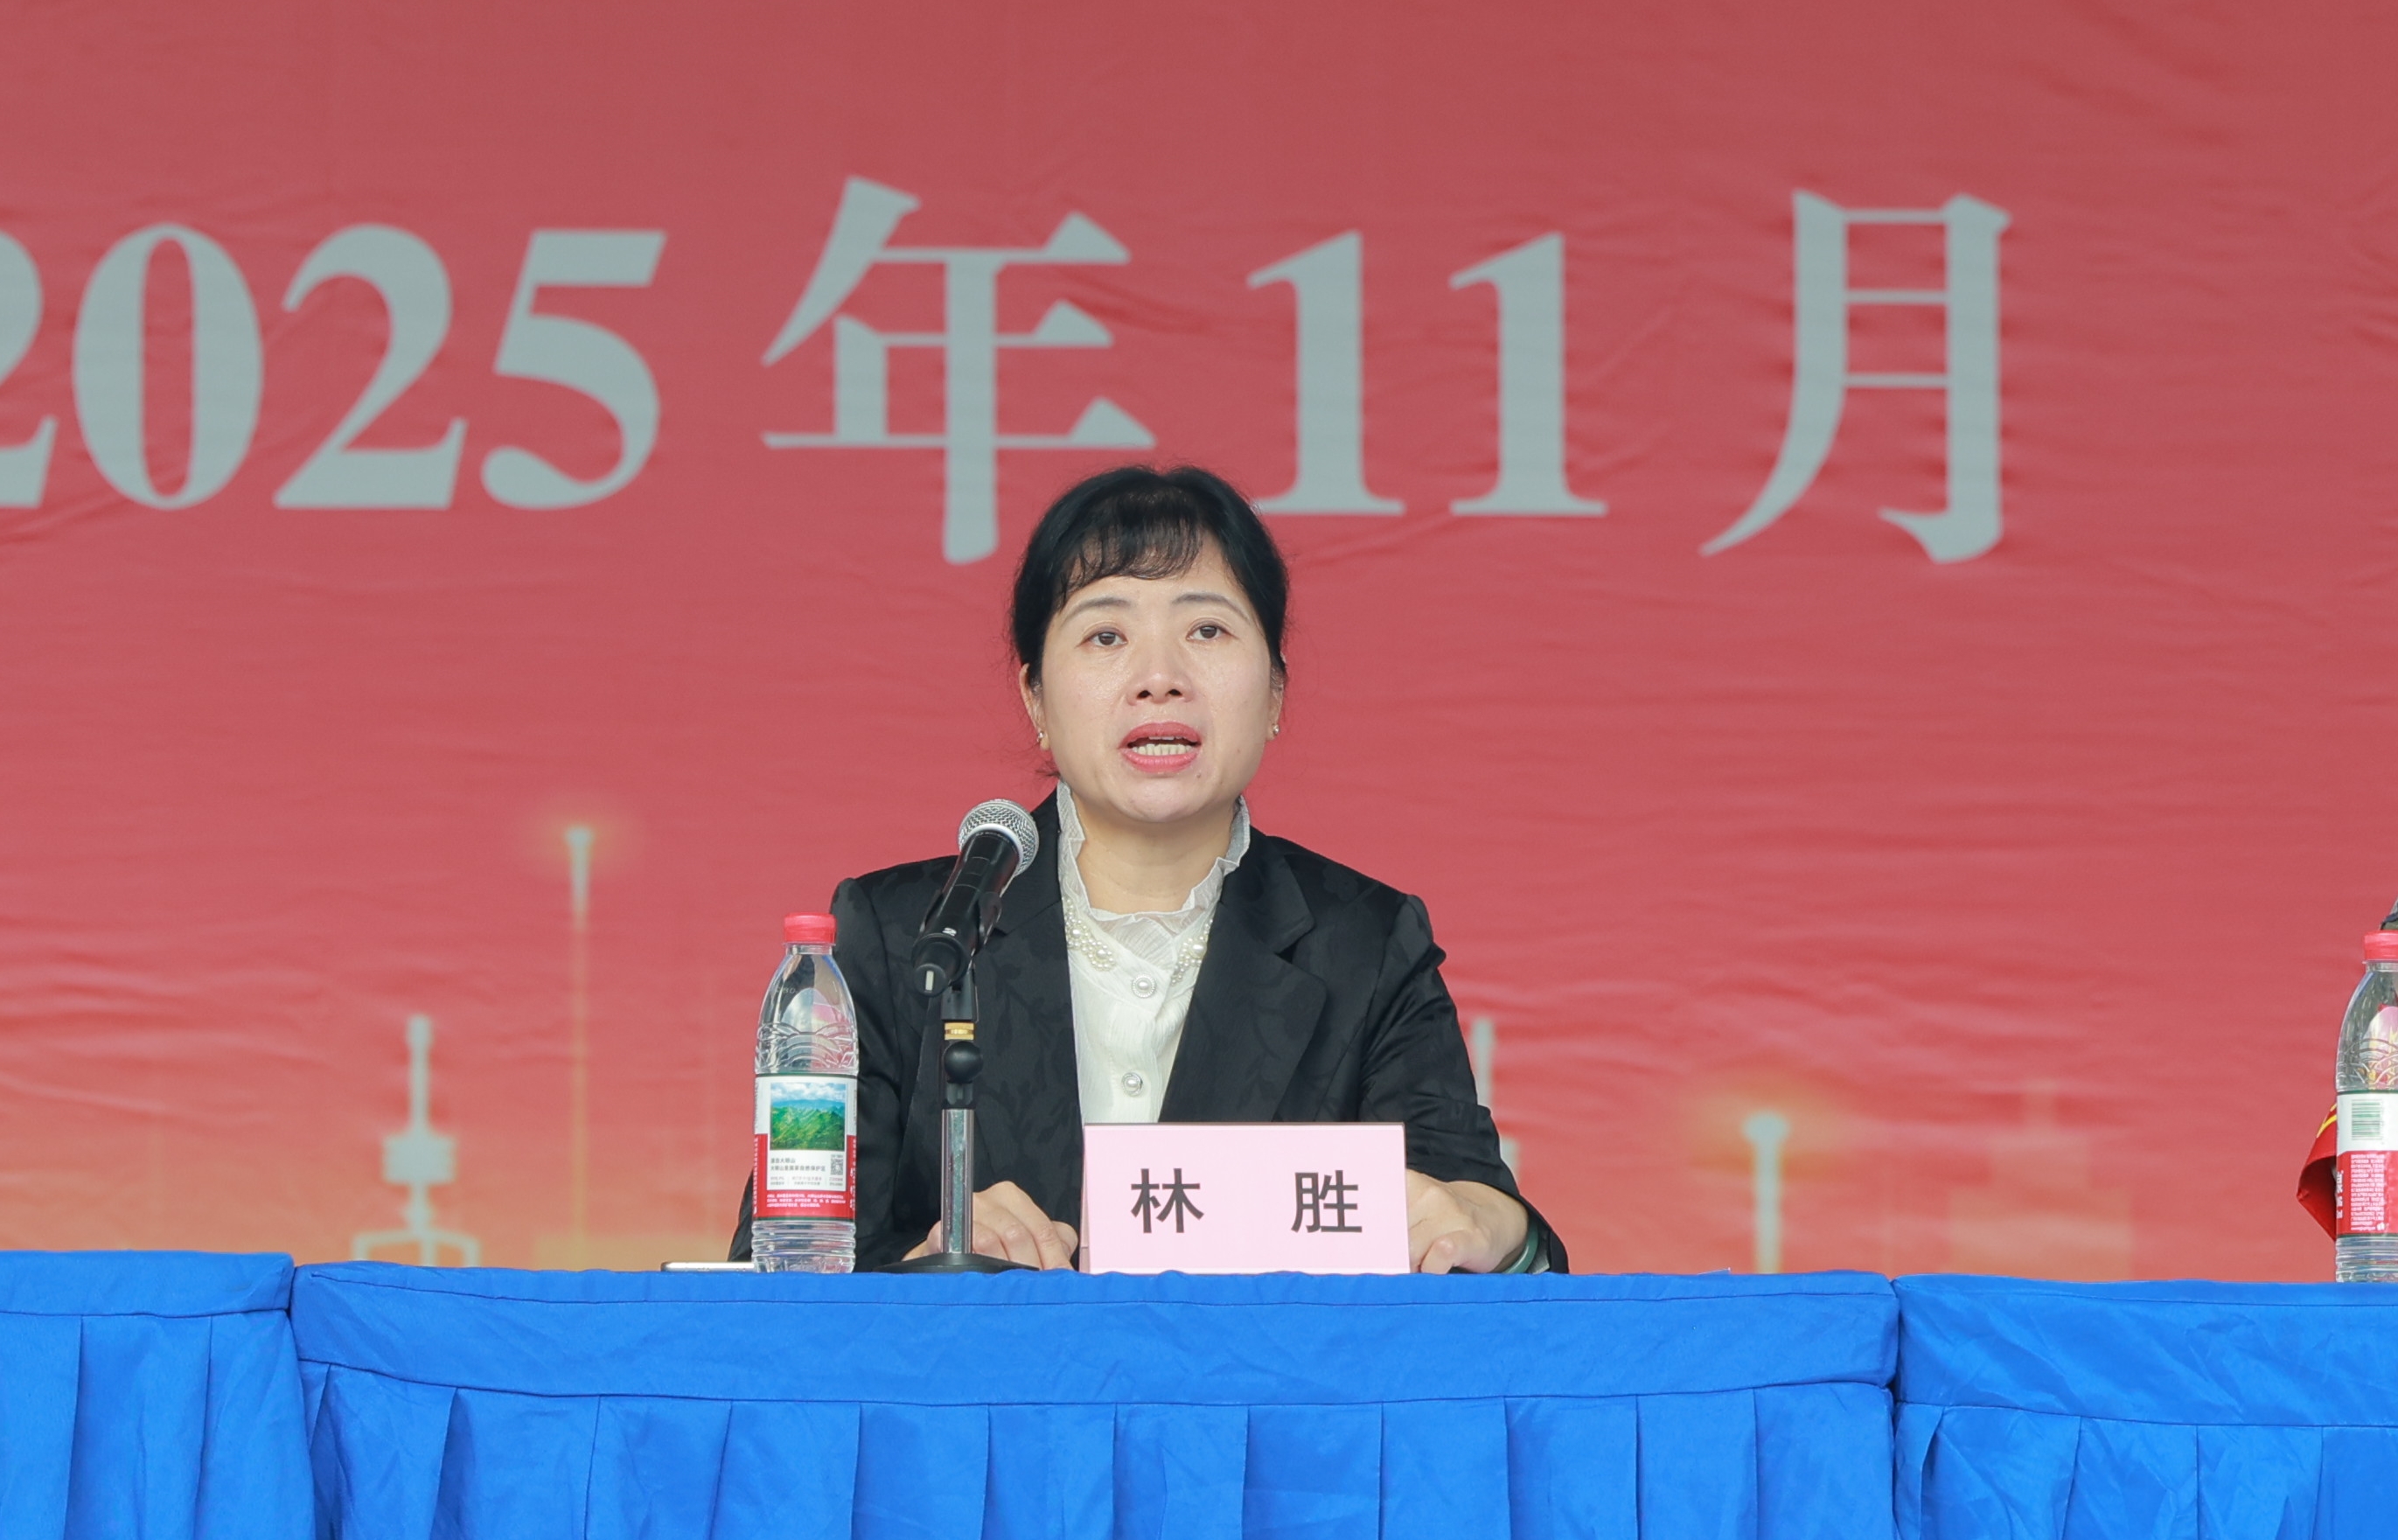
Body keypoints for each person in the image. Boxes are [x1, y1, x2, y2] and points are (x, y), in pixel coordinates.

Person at [731, 465, 1565, 1272]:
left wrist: (1493, 1225)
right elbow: (773, 1270)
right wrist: (929, 1264)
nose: (1159, 680)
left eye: (1207, 631)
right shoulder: (907, 937)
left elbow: (1488, 1232)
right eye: (1106, 635)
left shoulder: (1365, 946)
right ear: (1035, 697)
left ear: (1276, 692)